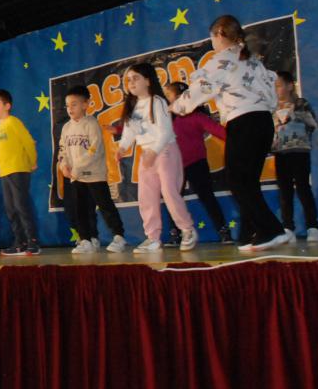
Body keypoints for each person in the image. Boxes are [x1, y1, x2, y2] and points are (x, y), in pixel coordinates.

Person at [170, 15, 285, 251]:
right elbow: (272, 96)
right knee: (248, 180)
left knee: (238, 181)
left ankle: (272, 230)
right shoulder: (252, 60)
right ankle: (250, 233)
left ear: (220, 34)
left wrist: (175, 107)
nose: (212, 42)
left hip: (244, 122)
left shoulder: (221, 60)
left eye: (212, 37)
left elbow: (199, 91)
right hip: (263, 121)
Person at [117, 64, 197, 253]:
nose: (131, 82)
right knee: (146, 196)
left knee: (169, 191)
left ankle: (187, 229)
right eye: (128, 80)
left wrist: (154, 152)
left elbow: (166, 131)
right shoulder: (133, 106)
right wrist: (122, 147)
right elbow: (129, 131)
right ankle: (152, 237)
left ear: (148, 80)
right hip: (146, 155)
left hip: (164, 151)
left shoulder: (158, 101)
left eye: (136, 78)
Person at [58, 85, 129, 253]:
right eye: (67, 105)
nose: (70, 109)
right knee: (81, 209)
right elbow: (63, 149)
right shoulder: (66, 127)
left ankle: (119, 236)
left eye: (74, 104)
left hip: (95, 175)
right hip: (76, 177)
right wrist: (64, 165)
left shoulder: (91, 124)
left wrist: (77, 168)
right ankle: (87, 240)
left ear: (85, 104)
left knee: (105, 206)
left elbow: (93, 151)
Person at [165, 81, 233, 244]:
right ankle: (175, 233)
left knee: (207, 196)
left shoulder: (197, 117)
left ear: (183, 98)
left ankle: (223, 230)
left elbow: (219, 131)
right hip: (176, 166)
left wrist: (239, 139)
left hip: (197, 163)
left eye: (169, 95)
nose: (168, 99)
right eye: (167, 96)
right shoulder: (167, 120)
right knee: (173, 199)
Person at [272, 71, 318, 242]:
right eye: (274, 86)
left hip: (300, 152)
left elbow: (315, 126)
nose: (276, 89)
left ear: (290, 86)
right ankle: (288, 228)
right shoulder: (272, 106)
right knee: (285, 191)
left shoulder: (301, 104)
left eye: (279, 85)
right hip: (281, 153)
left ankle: (313, 226)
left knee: (303, 188)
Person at [0, 89, 39, 256]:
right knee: (10, 209)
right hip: (5, 173)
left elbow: (28, 142)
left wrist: (32, 161)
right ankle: (20, 242)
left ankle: (32, 241)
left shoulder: (13, 122)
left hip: (18, 169)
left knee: (21, 205)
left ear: (7, 106)